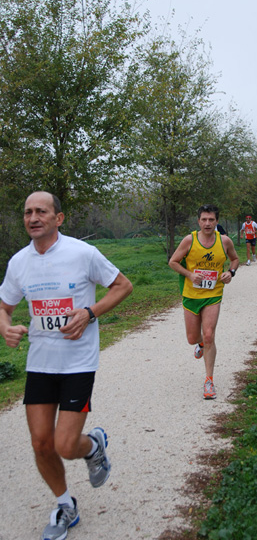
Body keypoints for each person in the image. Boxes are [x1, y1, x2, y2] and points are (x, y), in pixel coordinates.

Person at [0, 191, 133, 540]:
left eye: (41, 211)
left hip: (78, 362)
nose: (33, 217)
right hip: (40, 363)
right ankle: (65, 506)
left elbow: (123, 286)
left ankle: (92, 447)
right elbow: (4, 306)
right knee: (41, 443)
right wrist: (5, 327)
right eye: (28, 211)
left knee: (64, 444)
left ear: (58, 218)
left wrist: (90, 313)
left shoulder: (82, 253)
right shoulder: (19, 263)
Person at [169, 204, 239, 400]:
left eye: (211, 220)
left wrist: (230, 272)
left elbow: (234, 259)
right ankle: (198, 343)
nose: (207, 223)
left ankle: (209, 381)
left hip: (213, 293)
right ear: (198, 221)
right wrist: (189, 275)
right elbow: (173, 262)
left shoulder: (224, 241)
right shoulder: (189, 240)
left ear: (217, 221)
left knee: (209, 335)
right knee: (193, 338)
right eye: (204, 220)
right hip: (191, 295)